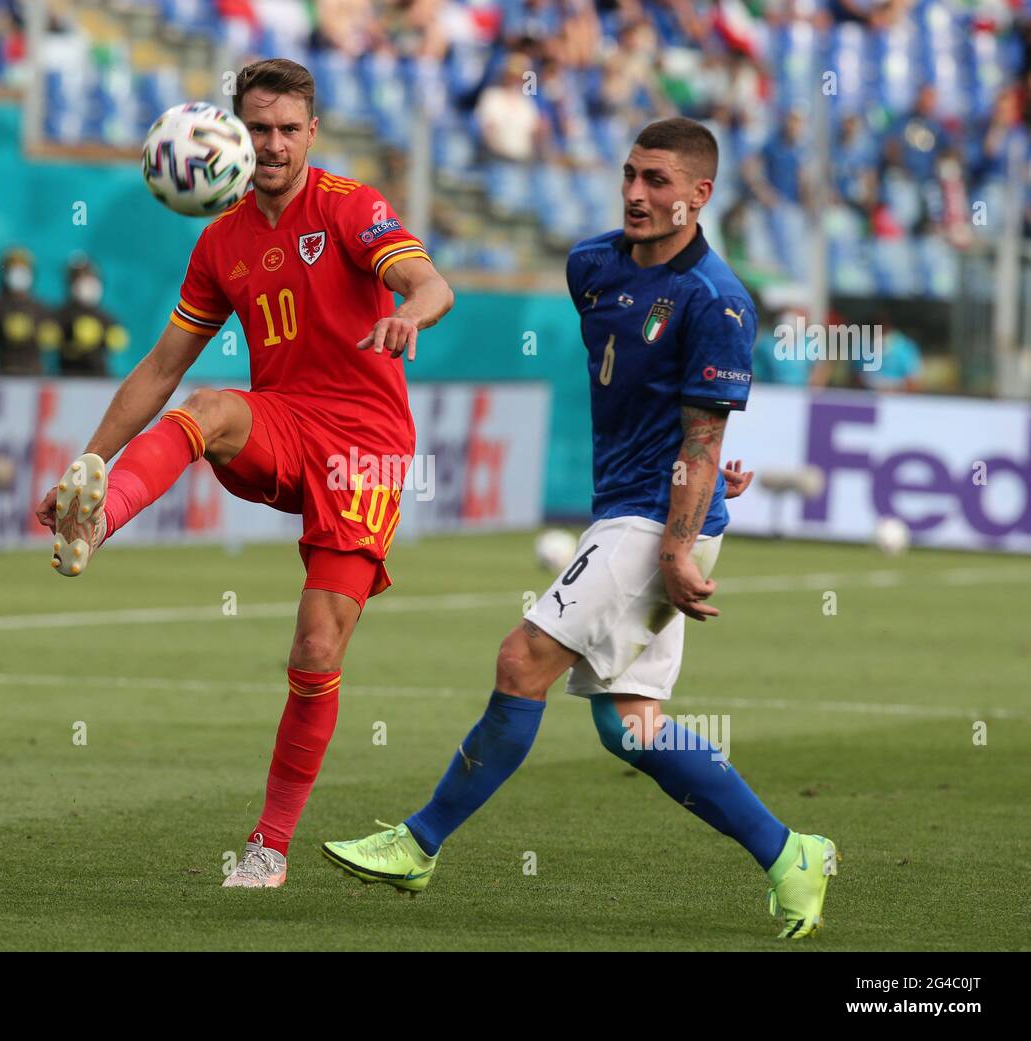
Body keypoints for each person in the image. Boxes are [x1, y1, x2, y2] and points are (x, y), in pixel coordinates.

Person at [322, 118, 839, 940]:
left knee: (522, 658)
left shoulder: (718, 301)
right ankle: (790, 853)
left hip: (655, 519)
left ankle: (418, 842)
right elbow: (668, 410)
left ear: (699, 196)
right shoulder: (591, 266)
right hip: (636, 506)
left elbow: (701, 436)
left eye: (658, 181)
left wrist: (678, 539)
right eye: (631, 174)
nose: (636, 193)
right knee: (629, 725)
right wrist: (699, 478)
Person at [32, 58, 454, 887]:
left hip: (367, 446)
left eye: (287, 129)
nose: (272, 145)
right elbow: (157, 369)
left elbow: (429, 281)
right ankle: (101, 514)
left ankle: (268, 847)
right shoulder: (221, 240)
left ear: (311, 133)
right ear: (233, 132)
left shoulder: (349, 207)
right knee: (211, 404)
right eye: (258, 128)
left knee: (316, 644)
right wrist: (89, 461)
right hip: (286, 422)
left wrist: (409, 313)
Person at [52, 254, 129, 377]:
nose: (87, 283)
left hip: (99, 379)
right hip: (68, 379)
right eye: (80, 278)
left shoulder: (106, 317)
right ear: (71, 282)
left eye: (90, 277)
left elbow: (118, 341)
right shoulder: (61, 315)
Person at [0, 246, 61, 376]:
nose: (18, 273)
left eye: (23, 268)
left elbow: (50, 339)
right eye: (13, 269)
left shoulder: (39, 306)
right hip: (6, 373)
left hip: (35, 374)